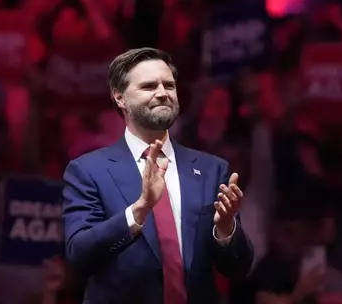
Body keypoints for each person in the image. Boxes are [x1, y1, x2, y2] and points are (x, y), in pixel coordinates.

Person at [62, 48, 254, 303]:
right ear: (120, 98)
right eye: (149, 86)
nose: (163, 93)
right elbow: (79, 255)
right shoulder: (88, 170)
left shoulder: (211, 169)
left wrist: (226, 229)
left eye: (169, 85)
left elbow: (238, 268)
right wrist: (139, 210)